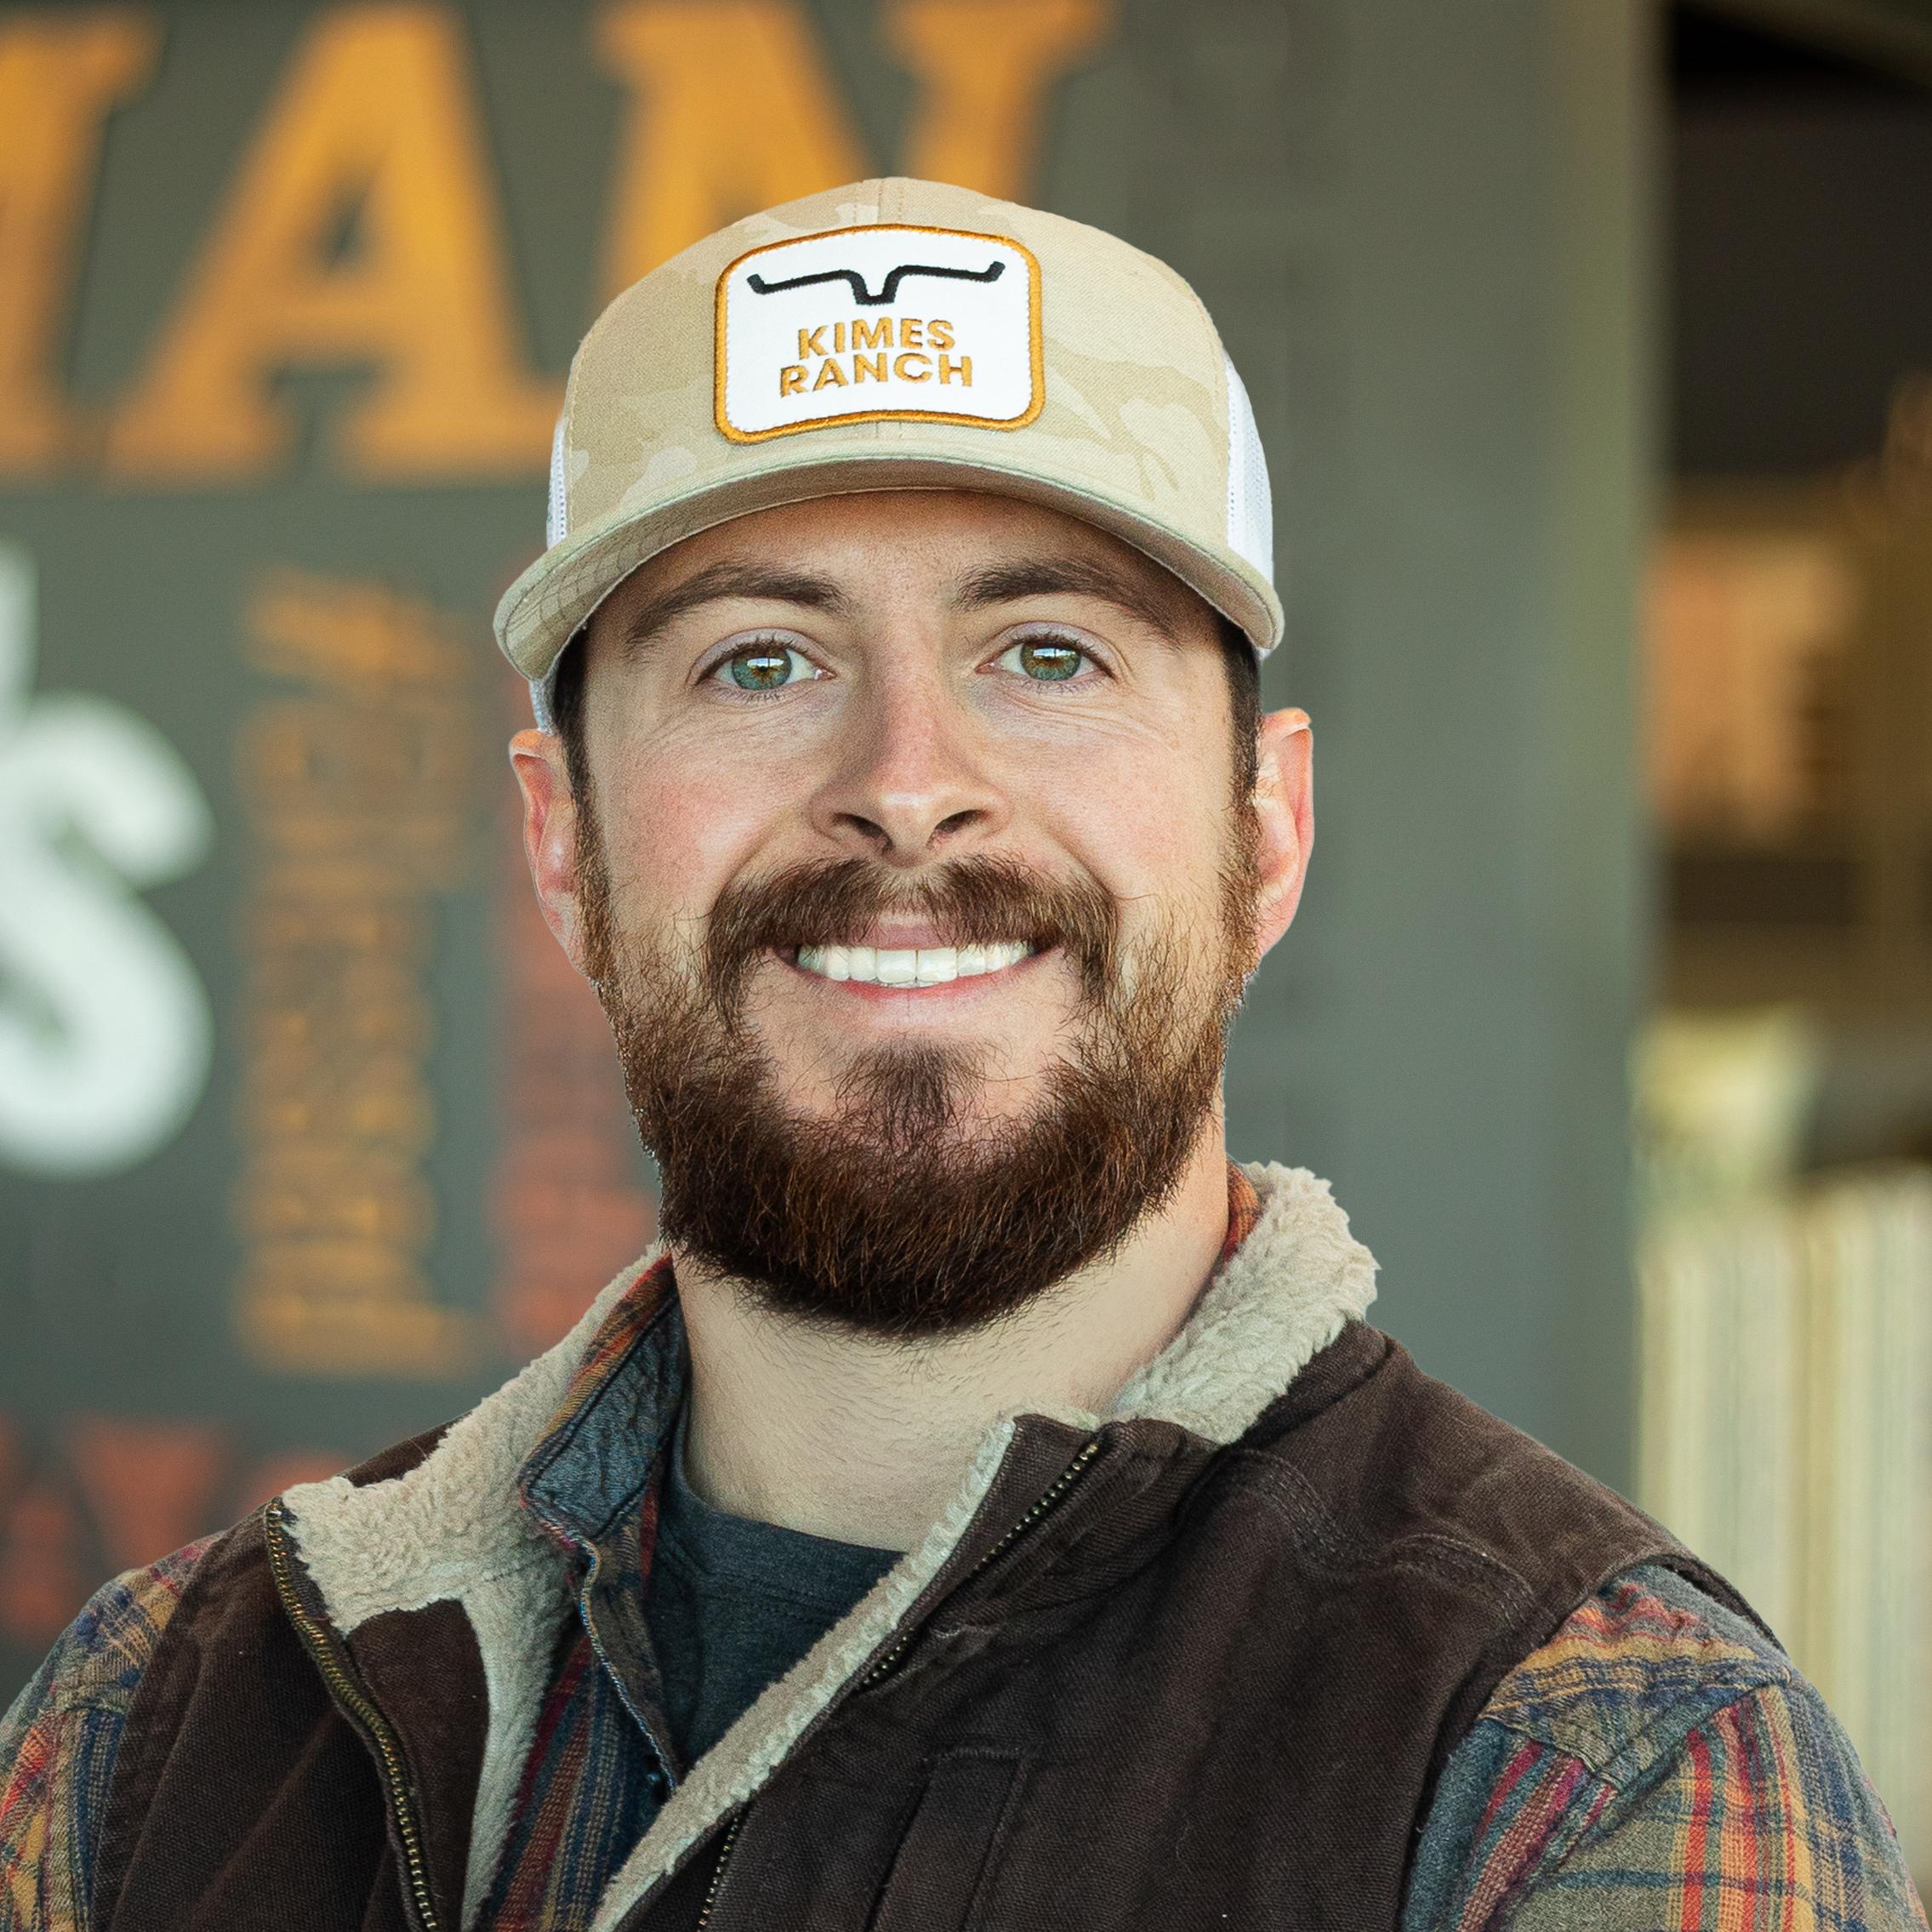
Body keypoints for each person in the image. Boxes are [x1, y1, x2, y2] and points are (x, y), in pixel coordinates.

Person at [2, 178, 1924, 1932]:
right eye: (760, 659)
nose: (907, 785)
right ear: (561, 838)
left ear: (1262, 828)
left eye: (1049, 654)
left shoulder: (1586, 1767)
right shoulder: (154, 1723)